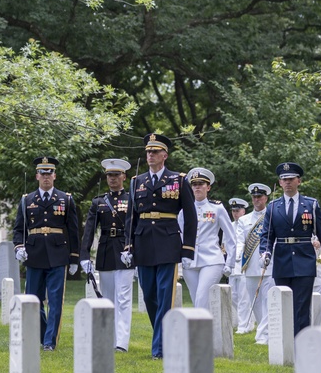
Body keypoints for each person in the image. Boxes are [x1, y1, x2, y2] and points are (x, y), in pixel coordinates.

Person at [122, 133, 197, 359]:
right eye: (148, 151)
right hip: (143, 240)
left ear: (165, 155)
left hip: (168, 241)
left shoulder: (178, 179)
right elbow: (131, 217)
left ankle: (160, 349)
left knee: (165, 296)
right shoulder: (137, 181)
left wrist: (188, 249)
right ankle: (166, 336)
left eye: (155, 151)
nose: (150, 155)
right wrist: (128, 245)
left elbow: (191, 217)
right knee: (149, 296)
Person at [12, 156, 80, 351]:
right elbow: (19, 229)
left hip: (58, 254)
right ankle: (42, 335)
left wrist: (74, 256)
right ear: (37, 176)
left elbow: (73, 230)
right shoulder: (27, 200)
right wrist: (19, 247)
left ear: (54, 176)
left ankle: (50, 341)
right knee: (34, 300)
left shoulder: (65, 199)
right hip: (34, 254)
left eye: (49, 173)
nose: (46, 177)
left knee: (56, 301)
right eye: (42, 174)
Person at [259, 162, 321, 335]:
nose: (287, 182)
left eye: (291, 179)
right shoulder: (273, 207)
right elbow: (267, 235)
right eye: (284, 179)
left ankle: (301, 344)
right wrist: (265, 252)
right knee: (284, 306)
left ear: (298, 181)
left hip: (304, 261)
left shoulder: (311, 204)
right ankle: (285, 345)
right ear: (279, 183)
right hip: (282, 261)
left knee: (301, 307)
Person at [80, 158, 134, 352]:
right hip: (105, 251)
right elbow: (89, 230)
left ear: (124, 177)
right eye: (109, 175)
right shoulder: (99, 202)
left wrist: (131, 248)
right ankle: (110, 339)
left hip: (124, 250)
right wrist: (84, 255)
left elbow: (133, 227)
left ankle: (122, 342)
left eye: (116, 175)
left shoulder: (131, 199)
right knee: (108, 299)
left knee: (124, 298)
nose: (112, 179)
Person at [180, 168, 236, 310]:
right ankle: (211, 330)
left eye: (201, 184)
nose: (197, 187)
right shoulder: (183, 209)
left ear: (208, 187)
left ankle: (198, 331)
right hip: (189, 261)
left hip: (212, 260)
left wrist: (230, 263)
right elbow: (179, 235)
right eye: (194, 184)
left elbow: (230, 236)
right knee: (197, 299)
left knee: (201, 297)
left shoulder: (217, 208)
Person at [236, 182, 274, 342]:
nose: (257, 200)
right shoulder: (244, 220)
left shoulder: (273, 216)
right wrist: (238, 255)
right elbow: (240, 240)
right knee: (256, 302)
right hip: (250, 266)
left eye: (259, 197)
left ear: (265, 198)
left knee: (268, 300)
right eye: (254, 197)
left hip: (269, 266)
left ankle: (263, 336)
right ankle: (264, 329)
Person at [228, 197, 250, 330]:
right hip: (232, 266)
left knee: (243, 297)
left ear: (243, 211)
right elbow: (225, 245)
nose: (235, 213)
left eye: (238, 210)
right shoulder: (229, 225)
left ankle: (244, 325)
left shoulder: (247, 223)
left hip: (243, 265)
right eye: (233, 211)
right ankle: (240, 320)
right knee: (233, 297)